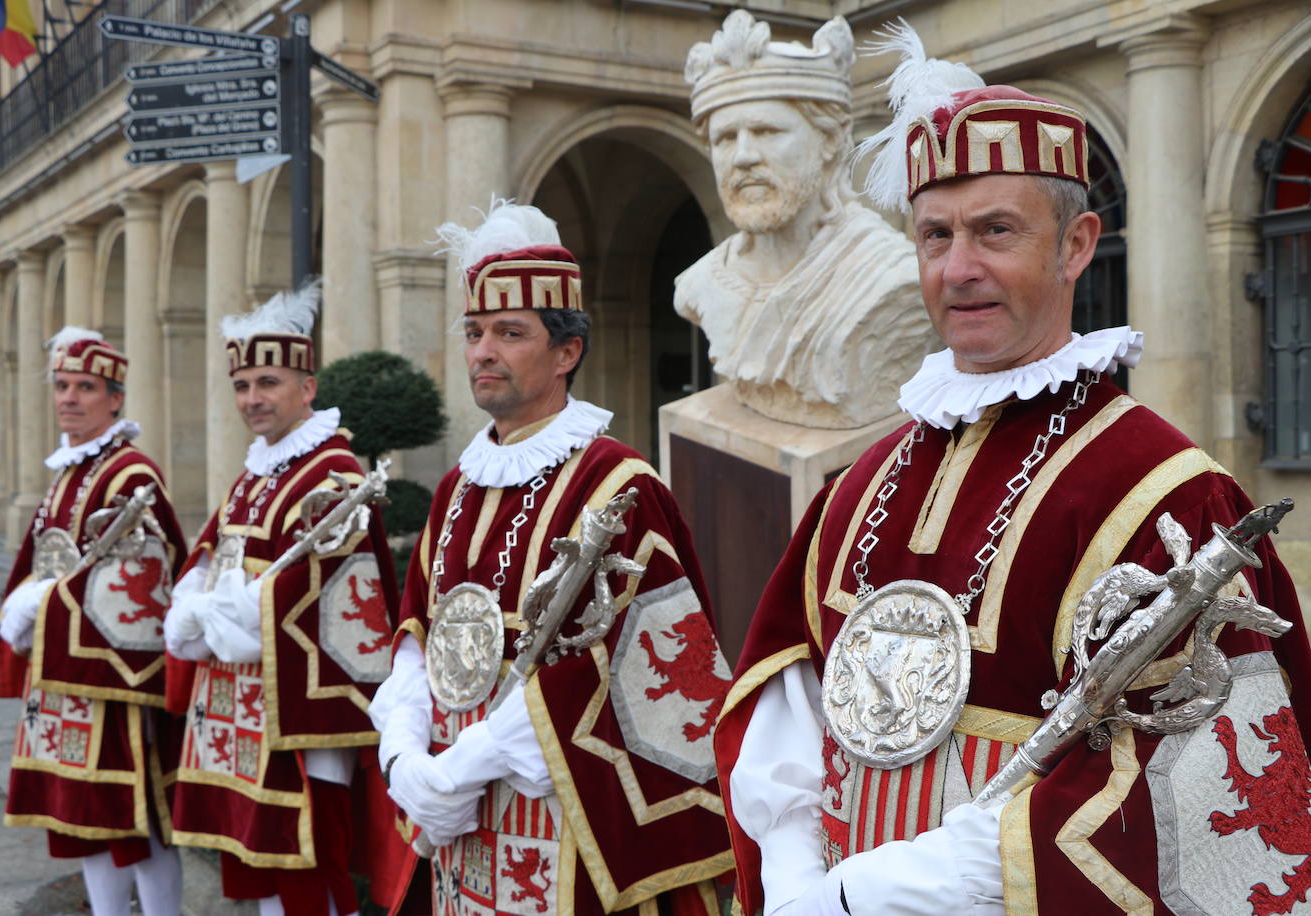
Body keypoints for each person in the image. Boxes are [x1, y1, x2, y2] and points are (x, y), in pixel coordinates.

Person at [713, 23, 1311, 916]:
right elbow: (788, 692)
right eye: (934, 235)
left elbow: (1197, 795)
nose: (959, 269)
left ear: (1075, 246)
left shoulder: (1165, 491)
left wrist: (883, 891)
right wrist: (798, 877)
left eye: (996, 231)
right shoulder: (860, 485)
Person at [369, 202, 734, 915]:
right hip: (453, 815)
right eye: (474, 333)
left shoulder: (620, 486)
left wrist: (468, 765)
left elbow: (634, 667)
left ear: (567, 352)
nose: (482, 351)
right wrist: (406, 756)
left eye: (510, 333)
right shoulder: (456, 486)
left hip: (565, 816)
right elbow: (417, 630)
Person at [162, 282, 400, 916]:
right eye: (242, 386)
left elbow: (328, 590)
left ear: (307, 387)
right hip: (240, 700)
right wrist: (191, 598)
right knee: (260, 859)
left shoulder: (334, 473)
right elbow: (211, 550)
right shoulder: (255, 471)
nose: (252, 399)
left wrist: (224, 611)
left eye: (267, 382)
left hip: (302, 709)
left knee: (312, 862)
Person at [0, 327, 188, 916]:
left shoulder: (131, 474)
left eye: (84, 387)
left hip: (115, 681)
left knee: (139, 817)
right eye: (61, 386)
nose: (69, 398)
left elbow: (145, 575)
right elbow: (45, 557)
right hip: (65, 674)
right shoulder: (69, 472)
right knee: (83, 816)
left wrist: (43, 603)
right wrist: (27, 597)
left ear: (115, 398)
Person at [674, 9, 932, 430]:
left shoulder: (891, 277)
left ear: (829, 141)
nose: (743, 156)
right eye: (724, 138)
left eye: (767, 132)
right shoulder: (699, 283)